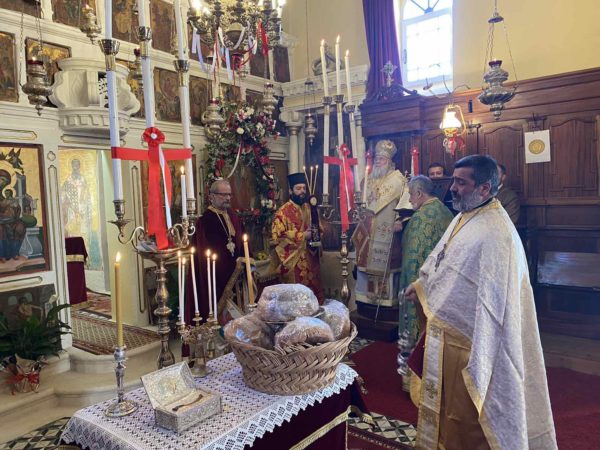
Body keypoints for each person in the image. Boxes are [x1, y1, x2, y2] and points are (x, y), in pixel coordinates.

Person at [404, 155, 557, 449]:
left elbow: (494, 298)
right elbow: (444, 263)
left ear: (484, 188)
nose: (452, 188)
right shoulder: (465, 216)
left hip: (475, 343)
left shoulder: (497, 232)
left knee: (469, 417)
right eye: (454, 180)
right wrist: (422, 286)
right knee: (449, 413)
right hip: (448, 335)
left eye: (461, 182)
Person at [352, 140, 409, 308]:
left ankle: (386, 305)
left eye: (382, 159)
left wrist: (399, 221)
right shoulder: (367, 180)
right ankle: (365, 302)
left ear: (390, 161)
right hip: (367, 232)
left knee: (387, 266)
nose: (378, 161)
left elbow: (406, 206)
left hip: (388, 231)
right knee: (365, 266)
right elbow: (359, 204)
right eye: (376, 158)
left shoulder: (400, 180)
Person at [398, 175, 453, 346]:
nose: (409, 199)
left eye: (410, 194)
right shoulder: (445, 211)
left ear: (419, 193)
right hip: (442, 281)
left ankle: (415, 344)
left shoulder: (421, 218)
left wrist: (412, 287)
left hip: (423, 285)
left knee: (420, 333)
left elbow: (413, 259)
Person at [186, 179, 245, 326]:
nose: (227, 198)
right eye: (223, 195)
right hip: (215, 278)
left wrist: (246, 259)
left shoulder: (234, 217)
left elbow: (243, 242)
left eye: (229, 194)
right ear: (211, 196)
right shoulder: (205, 221)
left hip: (237, 276)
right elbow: (202, 253)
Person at [271, 173, 324, 303]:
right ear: (290, 191)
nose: (302, 191)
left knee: (313, 299)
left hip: (311, 259)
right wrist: (303, 236)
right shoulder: (282, 213)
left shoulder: (310, 208)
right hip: (294, 263)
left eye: (304, 188)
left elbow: (320, 229)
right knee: (297, 301)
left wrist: (316, 234)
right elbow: (278, 237)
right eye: (298, 188)